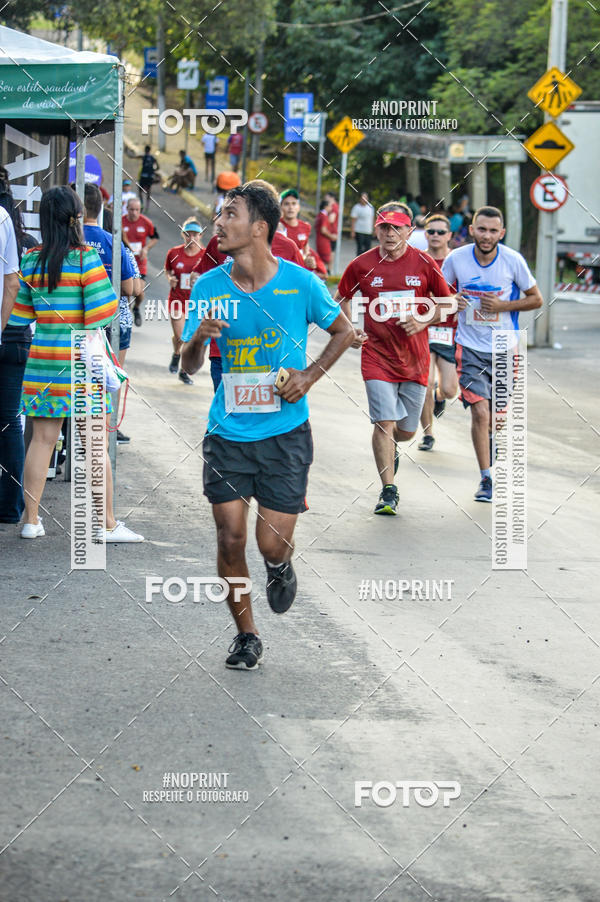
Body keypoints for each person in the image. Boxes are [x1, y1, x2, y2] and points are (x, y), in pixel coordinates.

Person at [180, 183, 353, 669]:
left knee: (268, 542)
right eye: (219, 214)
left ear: (259, 228)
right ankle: (247, 635)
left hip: (285, 435)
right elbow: (190, 365)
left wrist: (309, 376)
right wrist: (198, 339)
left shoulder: (299, 284)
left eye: (229, 214)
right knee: (229, 538)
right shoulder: (209, 286)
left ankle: (279, 566)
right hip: (228, 433)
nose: (218, 222)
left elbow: (343, 331)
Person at [8, 186, 143, 541]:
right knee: (94, 445)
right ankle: (106, 524)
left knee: (41, 441)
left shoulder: (30, 260)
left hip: (42, 361)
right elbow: (103, 311)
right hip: (82, 363)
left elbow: (20, 316)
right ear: (76, 218)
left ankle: (31, 522)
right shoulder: (85, 259)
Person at [335, 202, 454, 516]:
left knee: (406, 430)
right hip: (376, 356)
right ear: (376, 229)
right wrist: (350, 331)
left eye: (397, 228)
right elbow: (340, 300)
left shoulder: (425, 264)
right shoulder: (361, 265)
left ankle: (394, 448)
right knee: (383, 423)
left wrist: (423, 320)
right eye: (384, 227)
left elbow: (448, 303)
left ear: (409, 231)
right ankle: (388, 489)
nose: (389, 233)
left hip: (414, 360)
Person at [442, 206, 543, 501]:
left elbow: (535, 299)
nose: (486, 236)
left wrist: (502, 307)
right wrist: (452, 301)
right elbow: (438, 293)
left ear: (502, 233)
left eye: (492, 231)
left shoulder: (513, 261)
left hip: (504, 347)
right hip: (469, 347)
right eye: (481, 229)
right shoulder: (456, 259)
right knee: (480, 412)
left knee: (497, 419)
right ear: (471, 230)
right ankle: (486, 479)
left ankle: (490, 439)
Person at [197, 180, 306, 393]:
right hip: (227, 349)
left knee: (272, 422)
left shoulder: (288, 248)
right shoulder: (219, 243)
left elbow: (302, 298)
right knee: (229, 418)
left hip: (273, 352)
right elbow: (202, 282)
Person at [418, 214, 458, 451]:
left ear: (449, 235)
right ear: (425, 234)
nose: (435, 236)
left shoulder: (458, 261)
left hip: (449, 332)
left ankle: (439, 398)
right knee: (425, 383)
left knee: (450, 389)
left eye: (440, 232)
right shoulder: (419, 260)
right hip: (423, 330)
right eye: (431, 231)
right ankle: (428, 434)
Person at [0, 181, 25, 524]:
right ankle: (10, 507)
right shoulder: (4, 218)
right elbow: (12, 283)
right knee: (9, 422)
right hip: (14, 339)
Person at [164, 218, 205, 385]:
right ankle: (176, 353)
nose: (192, 238)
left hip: (196, 303)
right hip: (177, 300)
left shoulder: (204, 255)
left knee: (190, 338)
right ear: (183, 235)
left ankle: (184, 371)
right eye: (188, 235)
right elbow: (168, 270)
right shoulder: (174, 253)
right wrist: (170, 279)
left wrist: (201, 280)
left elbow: (211, 274)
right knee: (181, 336)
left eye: (195, 235)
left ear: (200, 236)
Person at [122, 198, 158, 327]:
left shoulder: (145, 222)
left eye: (137, 210)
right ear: (127, 209)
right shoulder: (121, 222)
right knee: (126, 293)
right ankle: (126, 317)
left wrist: (146, 248)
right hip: (125, 262)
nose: (134, 213)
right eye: (131, 209)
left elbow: (155, 237)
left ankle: (136, 308)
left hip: (140, 262)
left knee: (139, 292)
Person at [279, 188, 326, 276]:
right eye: (286, 204)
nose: (290, 207)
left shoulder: (305, 226)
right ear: (281, 207)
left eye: (294, 204)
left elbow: (305, 249)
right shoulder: (277, 227)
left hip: (300, 270)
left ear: (298, 207)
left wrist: (308, 260)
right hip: (283, 270)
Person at [315, 197, 337, 274]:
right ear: (325, 207)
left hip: (319, 240)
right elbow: (323, 230)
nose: (331, 208)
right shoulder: (324, 216)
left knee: (321, 259)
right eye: (330, 206)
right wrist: (332, 236)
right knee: (325, 260)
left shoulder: (319, 215)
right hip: (324, 241)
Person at [350, 192, 374, 256]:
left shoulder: (370, 207)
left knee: (368, 249)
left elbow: (372, 219)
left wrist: (374, 229)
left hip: (368, 231)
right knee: (360, 248)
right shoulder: (356, 207)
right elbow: (353, 220)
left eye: (366, 198)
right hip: (359, 230)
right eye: (363, 198)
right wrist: (352, 231)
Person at [138, 144, 159, 211]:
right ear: (150, 150)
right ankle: (147, 207)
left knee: (140, 192)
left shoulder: (143, 156)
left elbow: (132, 156)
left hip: (143, 176)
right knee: (148, 192)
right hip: (150, 177)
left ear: (145, 150)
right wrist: (152, 171)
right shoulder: (153, 158)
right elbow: (158, 167)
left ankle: (141, 204)